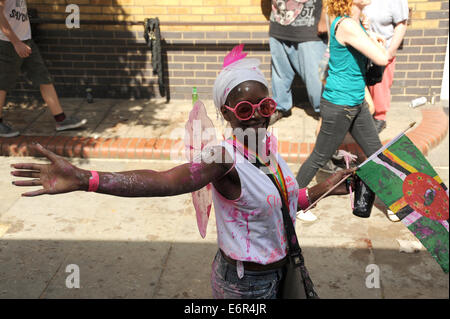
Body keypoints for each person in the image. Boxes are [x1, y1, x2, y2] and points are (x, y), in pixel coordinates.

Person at [11, 46, 355, 299]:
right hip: (245, 287)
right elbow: (166, 181)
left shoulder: (269, 149)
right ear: (228, 113)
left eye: (264, 106)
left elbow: (281, 205)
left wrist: (324, 188)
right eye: (244, 109)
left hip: (281, 274)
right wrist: (89, 179)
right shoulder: (223, 159)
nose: (257, 116)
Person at [296, 0, 388, 198]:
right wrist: (380, 45)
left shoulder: (355, 23)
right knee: (319, 157)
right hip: (340, 105)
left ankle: (396, 202)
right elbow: (381, 58)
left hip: (356, 103)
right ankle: (289, 203)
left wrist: (371, 36)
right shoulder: (346, 25)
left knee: (377, 153)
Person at [0, 0, 87, 137]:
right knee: (2, 84)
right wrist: (16, 43)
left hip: (26, 40)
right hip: (8, 43)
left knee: (43, 77)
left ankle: (61, 120)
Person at [269, 0, 328, 124]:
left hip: (310, 27)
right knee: (279, 73)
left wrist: (324, 15)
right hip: (278, 24)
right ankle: (281, 107)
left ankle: (325, 112)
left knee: (316, 76)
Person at [363, 0, 409, 133]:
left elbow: (401, 25)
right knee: (365, 85)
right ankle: (366, 115)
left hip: (384, 49)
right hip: (365, 46)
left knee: (379, 87)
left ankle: (380, 118)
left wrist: (390, 51)